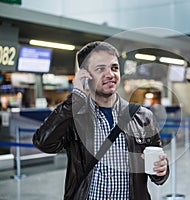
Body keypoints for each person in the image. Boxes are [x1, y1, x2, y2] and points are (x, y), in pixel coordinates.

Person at [32, 41, 169, 200]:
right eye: (100, 69)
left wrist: (162, 169)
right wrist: (75, 99)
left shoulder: (142, 116)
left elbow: (157, 171)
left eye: (114, 68)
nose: (110, 74)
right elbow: (43, 143)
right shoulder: (74, 116)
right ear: (84, 75)